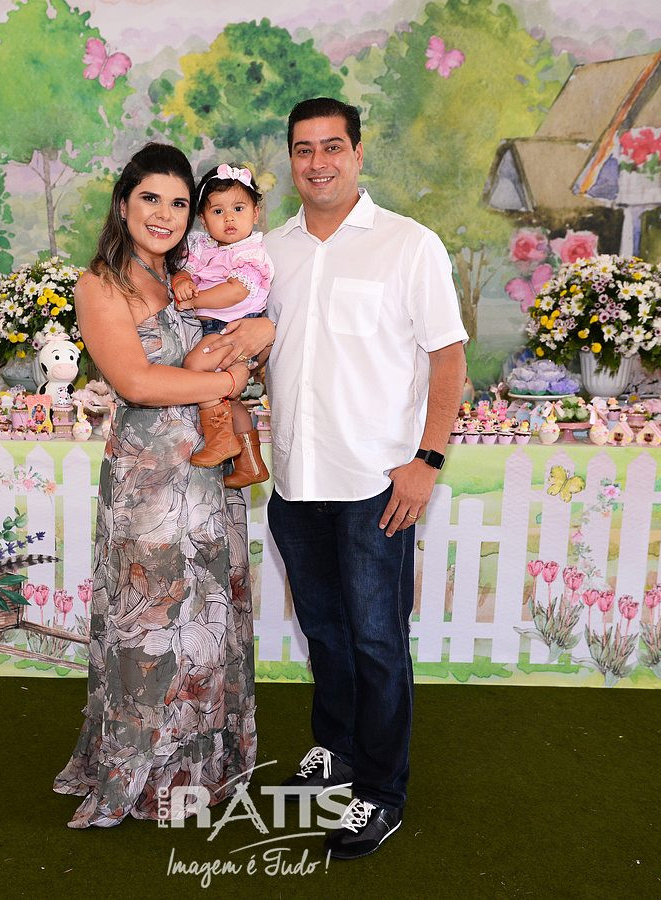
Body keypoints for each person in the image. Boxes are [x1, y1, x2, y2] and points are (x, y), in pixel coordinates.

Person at [263, 98, 468, 860]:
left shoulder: (408, 245)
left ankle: (381, 794)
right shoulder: (269, 251)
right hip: (295, 484)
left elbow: (447, 358)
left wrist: (427, 462)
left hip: (375, 485)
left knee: (377, 642)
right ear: (290, 159)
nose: (317, 163)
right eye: (303, 149)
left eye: (331, 147)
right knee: (324, 633)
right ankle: (339, 749)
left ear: (356, 153)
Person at [52, 142, 275, 829]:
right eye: (151, 198)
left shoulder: (190, 276)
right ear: (124, 203)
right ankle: (134, 775)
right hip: (149, 484)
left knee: (206, 625)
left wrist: (256, 338)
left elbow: (250, 331)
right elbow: (137, 382)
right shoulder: (100, 285)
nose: (165, 214)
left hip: (209, 477)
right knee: (148, 628)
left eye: (179, 203)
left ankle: (199, 773)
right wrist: (228, 380)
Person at [173, 164, 274, 488]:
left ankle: (222, 441)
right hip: (216, 327)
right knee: (230, 400)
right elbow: (183, 269)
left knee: (195, 365)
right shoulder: (202, 247)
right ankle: (250, 463)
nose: (229, 218)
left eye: (238, 209)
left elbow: (235, 291)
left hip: (234, 329)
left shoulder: (250, 253)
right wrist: (182, 280)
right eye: (218, 211)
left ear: (256, 213)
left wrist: (195, 300)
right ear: (204, 220)